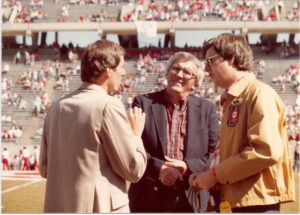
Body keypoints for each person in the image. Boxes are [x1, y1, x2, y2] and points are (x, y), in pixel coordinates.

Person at [189, 33, 295, 213]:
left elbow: (266, 151)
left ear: (230, 58)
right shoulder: (235, 98)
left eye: (210, 61)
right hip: (238, 199)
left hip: (255, 203)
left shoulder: (259, 94)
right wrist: (208, 174)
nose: (206, 69)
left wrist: (215, 175)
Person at [39, 40, 147, 213]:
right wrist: (135, 135)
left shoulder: (56, 108)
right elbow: (133, 169)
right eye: (121, 67)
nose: (124, 72)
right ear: (108, 71)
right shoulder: (108, 105)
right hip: (99, 207)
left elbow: (44, 169)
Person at [128, 52, 219, 212]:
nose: (179, 74)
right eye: (175, 69)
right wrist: (160, 168)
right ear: (167, 72)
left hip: (191, 194)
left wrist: (187, 166)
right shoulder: (143, 103)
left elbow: (214, 152)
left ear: (195, 83)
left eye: (186, 72)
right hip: (149, 194)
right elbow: (132, 146)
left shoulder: (207, 109)